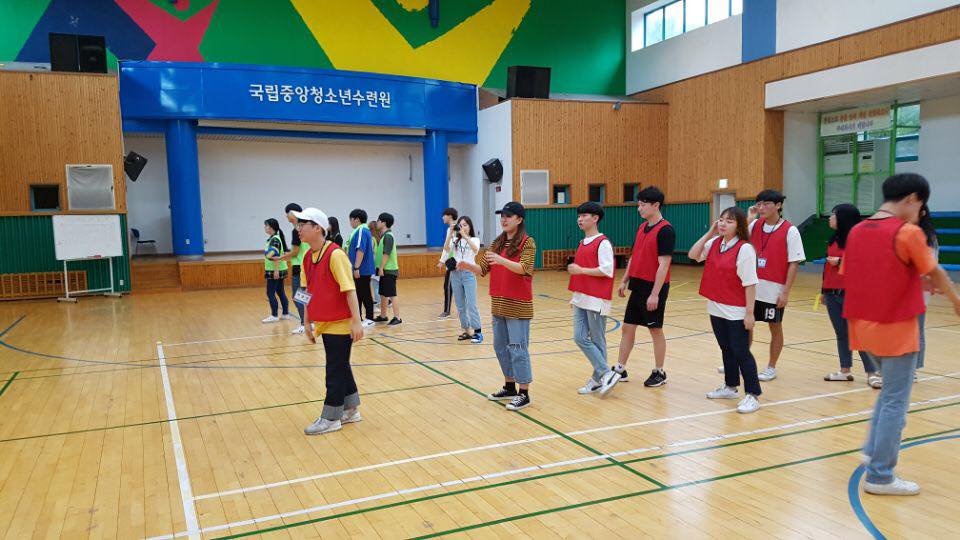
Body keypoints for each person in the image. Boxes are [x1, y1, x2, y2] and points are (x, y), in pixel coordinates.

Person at [843, 173, 960, 496]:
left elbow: (865, 273)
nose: (919, 212)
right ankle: (880, 476)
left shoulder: (857, 231)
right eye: (920, 205)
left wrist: (913, 281)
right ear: (911, 199)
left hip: (863, 328)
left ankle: (873, 451)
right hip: (895, 330)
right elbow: (935, 271)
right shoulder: (907, 232)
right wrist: (955, 300)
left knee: (888, 395)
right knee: (896, 402)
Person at [293, 207, 366, 435]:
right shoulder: (307, 257)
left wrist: (357, 322)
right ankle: (351, 409)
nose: (298, 229)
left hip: (341, 322)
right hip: (324, 322)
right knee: (340, 365)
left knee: (334, 369)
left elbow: (350, 290)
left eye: (302, 224)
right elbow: (305, 291)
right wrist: (306, 321)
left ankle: (331, 418)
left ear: (317, 228)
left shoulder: (335, 255)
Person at [459, 202, 536, 411]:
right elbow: (483, 269)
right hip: (499, 303)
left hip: (518, 305)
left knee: (518, 349)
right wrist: (469, 266)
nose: (503, 219)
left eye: (508, 216)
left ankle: (524, 393)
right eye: (502, 215)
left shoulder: (527, 242)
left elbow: (524, 268)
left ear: (519, 219)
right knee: (501, 347)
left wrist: (501, 260)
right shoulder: (497, 242)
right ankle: (509, 386)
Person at [689, 206, 762, 414]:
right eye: (721, 220)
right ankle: (730, 387)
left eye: (729, 221)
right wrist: (709, 233)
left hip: (736, 309)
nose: (723, 224)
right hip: (716, 307)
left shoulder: (744, 249)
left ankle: (753, 394)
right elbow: (693, 255)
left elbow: (750, 284)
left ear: (739, 226)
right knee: (726, 349)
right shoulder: (714, 243)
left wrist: (750, 313)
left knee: (741, 351)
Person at [607, 186, 675, 392]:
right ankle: (620, 368)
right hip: (637, 285)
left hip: (654, 287)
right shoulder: (642, 227)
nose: (639, 208)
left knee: (655, 329)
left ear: (656, 205)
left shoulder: (666, 230)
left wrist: (655, 294)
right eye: (639, 204)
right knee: (628, 327)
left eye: (643, 205)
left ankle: (659, 371)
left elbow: (664, 264)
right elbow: (635, 256)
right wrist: (624, 280)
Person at [746, 189, 805, 382]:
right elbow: (736, 237)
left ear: (778, 205)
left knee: (775, 327)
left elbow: (794, 263)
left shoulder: (790, 230)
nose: (761, 207)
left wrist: (785, 292)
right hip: (752, 287)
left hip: (773, 290)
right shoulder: (754, 224)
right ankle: (741, 361)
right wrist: (749, 218)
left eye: (766, 204)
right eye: (759, 204)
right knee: (746, 326)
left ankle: (771, 367)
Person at [821, 203, 879, 386]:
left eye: (833, 215)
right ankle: (845, 370)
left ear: (843, 218)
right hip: (831, 293)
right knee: (841, 333)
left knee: (859, 333)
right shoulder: (832, 239)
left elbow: (865, 265)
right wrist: (823, 291)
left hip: (851, 293)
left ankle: (872, 372)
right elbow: (826, 269)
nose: (830, 218)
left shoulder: (859, 240)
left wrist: (840, 262)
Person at [567, 202, 618, 395]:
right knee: (579, 337)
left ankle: (599, 378)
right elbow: (580, 275)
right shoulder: (582, 242)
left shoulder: (602, 242)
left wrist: (581, 270)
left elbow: (607, 270)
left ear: (595, 218)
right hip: (581, 298)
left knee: (597, 340)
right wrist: (575, 297)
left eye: (584, 216)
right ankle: (606, 373)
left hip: (597, 299)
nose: (580, 219)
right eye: (579, 216)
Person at [446, 216, 483, 343]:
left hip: (468, 273)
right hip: (455, 274)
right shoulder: (455, 240)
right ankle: (467, 330)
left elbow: (475, 250)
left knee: (471, 304)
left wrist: (465, 236)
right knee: (460, 305)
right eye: (461, 225)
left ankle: (477, 331)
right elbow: (446, 249)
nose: (463, 227)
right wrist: (450, 233)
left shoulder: (474, 239)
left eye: (466, 225)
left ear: (470, 227)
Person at [279, 203, 311, 334]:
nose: (286, 216)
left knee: (298, 296)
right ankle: (310, 322)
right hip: (308, 265)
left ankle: (305, 323)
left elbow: (296, 252)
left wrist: (282, 257)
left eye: (287, 213)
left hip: (300, 267)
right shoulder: (306, 226)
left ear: (293, 213)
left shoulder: (296, 230)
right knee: (304, 296)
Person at [916, 204, 939, 375]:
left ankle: (914, 369)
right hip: (905, 288)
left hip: (919, 289)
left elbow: (931, 266)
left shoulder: (928, 237)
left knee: (917, 330)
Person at [344, 209, 376, 327]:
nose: (350, 223)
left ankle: (369, 318)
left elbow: (360, 250)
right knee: (359, 294)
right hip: (360, 269)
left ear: (357, 219)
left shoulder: (361, 230)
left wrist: (356, 268)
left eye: (351, 220)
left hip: (362, 269)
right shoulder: (361, 231)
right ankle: (359, 317)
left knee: (365, 293)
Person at [262, 218, 292, 323]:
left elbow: (273, 255)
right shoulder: (274, 238)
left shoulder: (275, 239)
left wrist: (276, 270)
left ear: (271, 227)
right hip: (279, 268)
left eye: (266, 225)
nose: (265, 227)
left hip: (275, 270)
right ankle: (285, 314)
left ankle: (274, 315)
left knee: (270, 292)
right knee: (280, 291)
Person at [374, 212, 402, 326]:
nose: (377, 222)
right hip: (384, 270)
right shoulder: (384, 236)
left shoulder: (388, 236)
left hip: (389, 270)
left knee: (391, 294)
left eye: (378, 220)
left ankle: (397, 317)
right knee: (383, 294)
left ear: (383, 222)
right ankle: (383, 315)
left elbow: (387, 253)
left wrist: (381, 267)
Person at [437, 207, 459, 318]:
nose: (442, 217)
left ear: (449, 216)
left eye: (444, 215)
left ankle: (447, 311)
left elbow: (449, 248)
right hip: (452, 262)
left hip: (454, 263)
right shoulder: (450, 229)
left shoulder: (454, 229)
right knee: (450, 286)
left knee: (448, 287)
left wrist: (442, 261)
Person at [368, 220, 383, 315]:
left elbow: (369, 252)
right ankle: (382, 303)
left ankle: (377, 305)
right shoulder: (379, 238)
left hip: (374, 265)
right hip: (379, 264)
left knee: (375, 286)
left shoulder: (372, 239)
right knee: (378, 285)